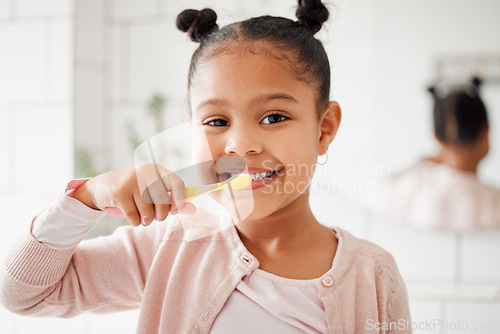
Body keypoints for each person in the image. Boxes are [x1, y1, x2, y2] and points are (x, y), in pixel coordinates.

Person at [0, 1, 411, 333]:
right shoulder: (170, 248)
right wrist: (87, 199)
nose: (241, 145)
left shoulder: (373, 276)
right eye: (217, 122)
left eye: (273, 117)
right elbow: (22, 293)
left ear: (324, 128)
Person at [362, 77, 500, 230]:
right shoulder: (495, 201)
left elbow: (370, 192)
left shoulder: (415, 189)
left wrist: (420, 161)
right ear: (486, 132)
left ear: (436, 136)